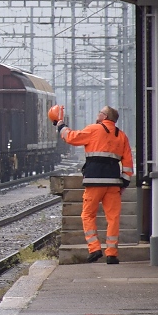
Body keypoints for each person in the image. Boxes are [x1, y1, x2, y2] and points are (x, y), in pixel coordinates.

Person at [54, 105, 135, 264]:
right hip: (113, 184)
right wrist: (123, 183)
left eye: (100, 112)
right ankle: (112, 254)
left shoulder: (94, 129)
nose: (97, 114)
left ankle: (94, 248)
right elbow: (128, 164)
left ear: (105, 116)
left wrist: (61, 125)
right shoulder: (122, 136)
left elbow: (71, 137)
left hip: (94, 182)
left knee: (88, 215)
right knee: (113, 218)